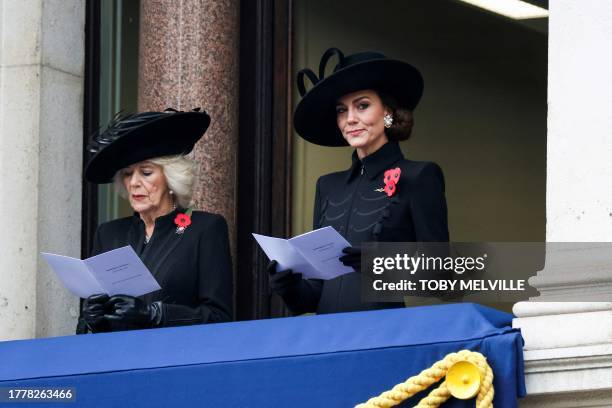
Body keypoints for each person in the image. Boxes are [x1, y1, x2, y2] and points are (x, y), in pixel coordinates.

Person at [268, 48, 449, 314]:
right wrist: (288, 285)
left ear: (388, 113)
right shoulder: (328, 185)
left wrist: (378, 263)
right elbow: (316, 293)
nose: (350, 119)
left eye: (362, 106)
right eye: (342, 110)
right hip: (327, 335)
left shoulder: (419, 176)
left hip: (384, 331)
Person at [77, 108, 233, 333]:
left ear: (171, 178)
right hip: (115, 360)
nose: (134, 183)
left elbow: (219, 318)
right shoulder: (109, 234)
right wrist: (90, 320)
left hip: (171, 359)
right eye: (128, 174)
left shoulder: (204, 229)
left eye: (146, 172)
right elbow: (83, 331)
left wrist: (155, 314)